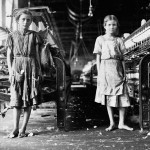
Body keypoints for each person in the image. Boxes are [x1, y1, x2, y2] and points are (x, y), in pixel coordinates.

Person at [93, 15, 133, 131]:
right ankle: (112, 123)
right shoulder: (100, 39)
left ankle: (121, 123)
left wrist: (125, 74)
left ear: (117, 26)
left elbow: (123, 59)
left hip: (118, 69)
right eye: (109, 25)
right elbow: (98, 58)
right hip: (105, 70)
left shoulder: (119, 40)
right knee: (108, 96)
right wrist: (100, 74)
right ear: (105, 26)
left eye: (114, 25)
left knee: (122, 96)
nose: (111, 27)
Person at [6, 9, 42, 138]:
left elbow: (37, 55)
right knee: (16, 100)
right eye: (23, 19)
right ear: (17, 21)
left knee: (28, 99)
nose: (25, 22)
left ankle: (23, 129)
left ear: (31, 21)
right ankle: (15, 128)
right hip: (17, 66)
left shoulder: (34, 35)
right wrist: (11, 72)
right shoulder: (12, 36)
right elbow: (9, 55)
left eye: (28, 20)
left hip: (31, 67)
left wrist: (38, 72)